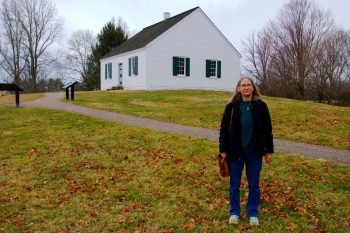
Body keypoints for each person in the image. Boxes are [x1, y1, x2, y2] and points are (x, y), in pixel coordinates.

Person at [219, 76, 273, 226]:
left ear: (253, 88)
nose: (246, 87)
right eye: (243, 85)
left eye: (249, 85)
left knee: (254, 184)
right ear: (238, 89)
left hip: (254, 153)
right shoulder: (231, 107)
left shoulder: (261, 106)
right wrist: (223, 150)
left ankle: (253, 213)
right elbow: (224, 130)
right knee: (234, 184)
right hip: (235, 153)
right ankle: (234, 212)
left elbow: (267, 130)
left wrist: (268, 151)